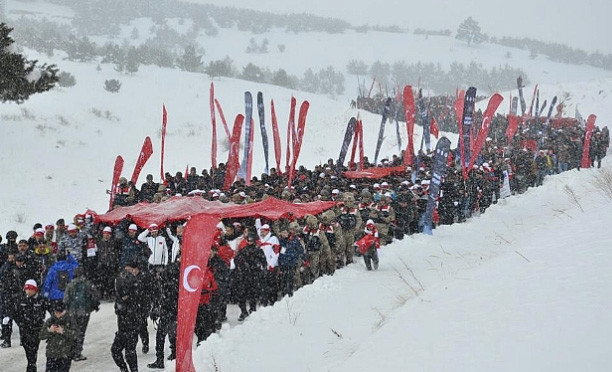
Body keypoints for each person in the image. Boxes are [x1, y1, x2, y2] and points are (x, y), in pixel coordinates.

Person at [147, 254, 180, 369]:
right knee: (168, 335)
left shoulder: (167, 283)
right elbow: (158, 299)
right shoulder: (164, 283)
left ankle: (165, 358)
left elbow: (164, 299)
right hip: (169, 312)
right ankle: (170, 357)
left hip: (169, 312)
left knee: (165, 336)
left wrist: (158, 310)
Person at [111, 260, 143, 372]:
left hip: (131, 327)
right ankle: (125, 369)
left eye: (129, 270)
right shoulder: (124, 284)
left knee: (130, 353)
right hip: (123, 328)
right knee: (116, 351)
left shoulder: (136, 286)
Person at [63, 267, 100, 362]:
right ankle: (77, 352)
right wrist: (94, 306)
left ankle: (70, 351)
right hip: (85, 311)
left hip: (72, 311)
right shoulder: (88, 284)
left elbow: (66, 300)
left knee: (73, 331)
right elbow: (95, 296)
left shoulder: (70, 285)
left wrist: (68, 309)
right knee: (81, 332)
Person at [13, 279, 48, 372]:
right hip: (24, 329)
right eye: (26, 289)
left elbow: (47, 310)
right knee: (27, 348)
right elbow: (15, 313)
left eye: (30, 289)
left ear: (35, 289)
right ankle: (31, 363)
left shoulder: (40, 300)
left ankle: (32, 366)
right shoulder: (21, 299)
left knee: (33, 348)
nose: (28, 291)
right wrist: (20, 323)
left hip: (36, 328)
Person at [233, 233, 266, 321]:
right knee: (241, 295)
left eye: (251, 240)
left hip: (254, 276)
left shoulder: (258, 251)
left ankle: (253, 310)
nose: (250, 242)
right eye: (248, 240)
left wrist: (260, 269)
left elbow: (264, 262)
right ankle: (243, 312)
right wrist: (240, 267)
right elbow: (236, 260)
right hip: (244, 276)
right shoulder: (243, 250)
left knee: (253, 295)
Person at [39, 301, 76, 372]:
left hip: (65, 354)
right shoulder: (50, 321)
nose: (58, 315)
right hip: (52, 353)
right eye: (56, 312)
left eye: (60, 313)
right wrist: (50, 331)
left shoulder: (70, 320)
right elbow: (41, 336)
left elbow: (75, 335)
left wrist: (63, 331)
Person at [278, 222, 304, 297]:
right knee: (283, 279)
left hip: (291, 263)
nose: (284, 234)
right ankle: (284, 293)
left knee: (290, 279)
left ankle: (289, 293)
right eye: (282, 232)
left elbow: (300, 250)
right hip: (283, 264)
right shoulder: (281, 241)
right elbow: (279, 253)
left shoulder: (294, 240)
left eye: (285, 232)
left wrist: (304, 259)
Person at [96, 226, 120, 299]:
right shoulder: (100, 242)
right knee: (103, 280)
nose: (106, 235)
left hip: (111, 264)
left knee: (111, 280)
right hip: (102, 264)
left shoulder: (114, 242)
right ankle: (104, 294)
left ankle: (111, 294)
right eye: (105, 234)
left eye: (108, 234)